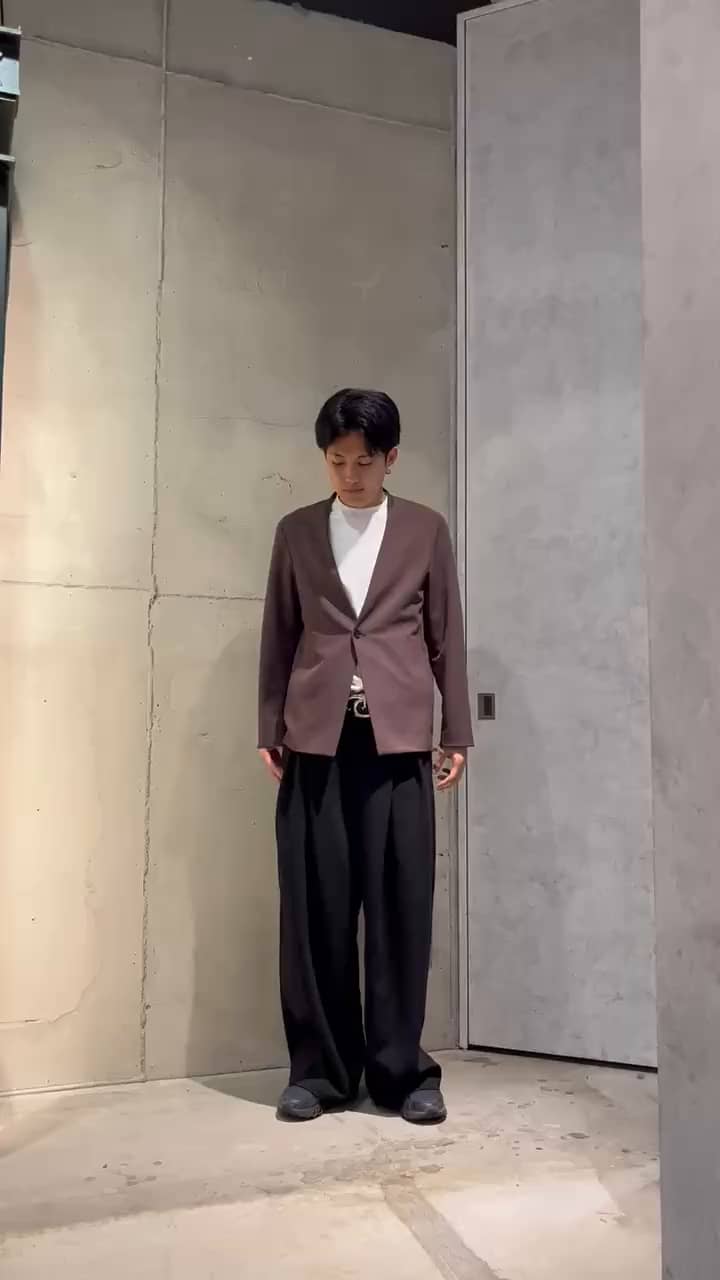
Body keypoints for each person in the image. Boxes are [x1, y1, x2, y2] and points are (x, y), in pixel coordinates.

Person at [258, 388, 473, 1124]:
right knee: (315, 911)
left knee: (399, 910)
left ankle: (401, 1072)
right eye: (336, 460)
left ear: (391, 459)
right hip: (316, 742)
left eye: (364, 461)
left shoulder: (424, 529)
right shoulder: (296, 531)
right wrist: (268, 725)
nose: (350, 475)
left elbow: (446, 633)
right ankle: (320, 1073)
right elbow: (280, 633)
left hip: (397, 743)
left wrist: (456, 732)